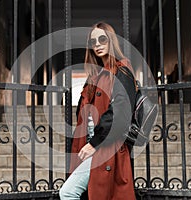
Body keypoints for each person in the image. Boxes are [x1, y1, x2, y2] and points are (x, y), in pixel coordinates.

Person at [59, 22, 137, 200]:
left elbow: (120, 112)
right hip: (91, 146)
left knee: (68, 192)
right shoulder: (94, 77)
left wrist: (95, 143)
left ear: (111, 41)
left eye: (102, 39)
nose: (98, 44)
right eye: (93, 41)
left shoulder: (121, 71)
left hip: (107, 147)